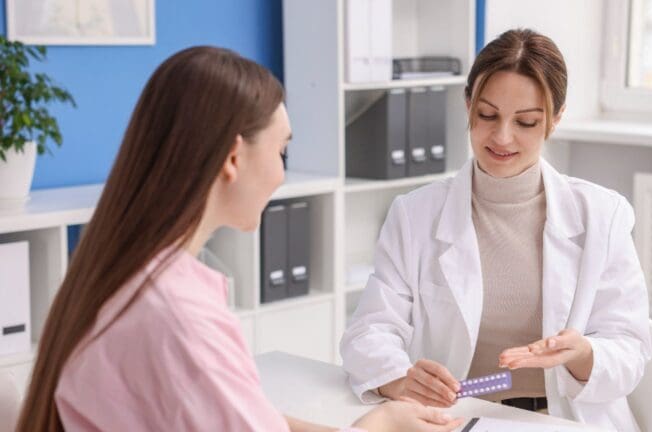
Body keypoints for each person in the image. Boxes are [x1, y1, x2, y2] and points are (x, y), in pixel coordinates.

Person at [15, 46, 463, 432]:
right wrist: (380, 424)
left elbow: (252, 418)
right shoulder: (176, 318)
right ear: (233, 157)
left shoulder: (119, 274)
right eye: (281, 150)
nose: (282, 173)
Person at [340, 29, 652, 432]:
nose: (502, 137)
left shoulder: (602, 215)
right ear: (468, 104)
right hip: (457, 419)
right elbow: (368, 332)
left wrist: (583, 353)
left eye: (525, 122)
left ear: (554, 120)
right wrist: (400, 378)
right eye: (487, 115)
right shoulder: (414, 214)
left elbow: (629, 350)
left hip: (561, 420)